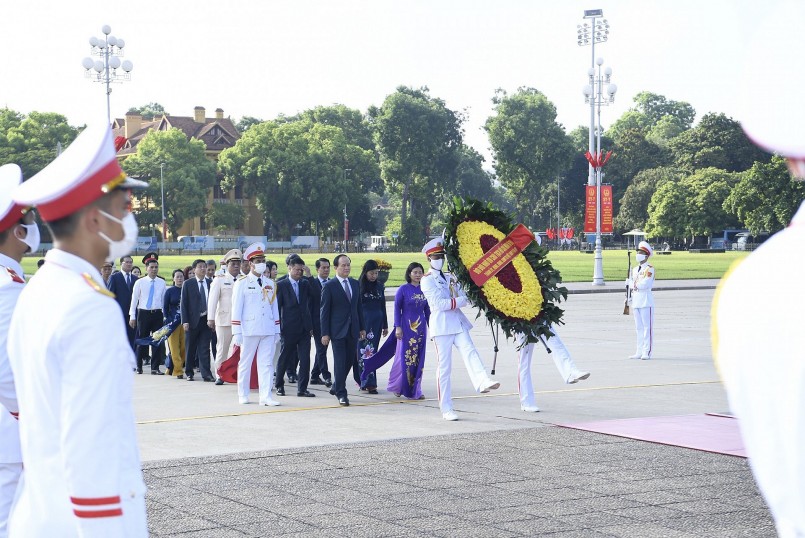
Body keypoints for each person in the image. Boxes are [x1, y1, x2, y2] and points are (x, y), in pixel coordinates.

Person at [7, 122, 148, 536]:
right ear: (93, 219)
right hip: (82, 523)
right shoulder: (89, 307)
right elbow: (94, 447)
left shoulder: (39, 289)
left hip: (44, 512)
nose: (130, 215)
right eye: (123, 206)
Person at [419, 238, 500, 421]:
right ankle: (446, 408)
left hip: (457, 322)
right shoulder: (427, 280)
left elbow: (466, 296)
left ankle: (482, 380)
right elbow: (439, 304)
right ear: (429, 259)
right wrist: (461, 300)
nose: (440, 259)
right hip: (441, 327)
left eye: (442, 256)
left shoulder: (450, 277)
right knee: (445, 369)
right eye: (436, 256)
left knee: (470, 351)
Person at [0, 163, 39, 538]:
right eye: (29, 219)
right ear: (17, 231)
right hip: (9, 437)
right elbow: (6, 371)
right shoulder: (7, 286)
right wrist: (32, 419)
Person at [362, 262, 430, 400]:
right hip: (406, 329)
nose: (417, 275)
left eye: (420, 272)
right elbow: (397, 309)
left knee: (418, 359)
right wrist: (397, 327)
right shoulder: (403, 289)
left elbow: (427, 310)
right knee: (404, 359)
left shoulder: (425, 289)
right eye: (415, 272)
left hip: (421, 330)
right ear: (409, 274)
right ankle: (399, 386)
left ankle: (416, 388)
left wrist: (433, 327)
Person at [231, 243, 280, 406]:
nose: (261, 263)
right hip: (249, 329)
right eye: (258, 260)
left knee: (266, 363)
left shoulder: (271, 283)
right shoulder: (242, 283)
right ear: (250, 263)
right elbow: (236, 308)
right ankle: (243, 393)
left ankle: (265, 396)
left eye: (263, 260)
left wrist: (277, 329)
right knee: (245, 362)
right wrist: (236, 331)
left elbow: (275, 309)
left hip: (267, 328)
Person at [320, 254, 365, 406]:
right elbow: (324, 311)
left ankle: (336, 385)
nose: (346, 268)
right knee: (340, 362)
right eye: (343, 265)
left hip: (353, 330)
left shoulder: (354, 283)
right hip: (337, 331)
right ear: (335, 268)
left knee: (348, 362)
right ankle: (342, 393)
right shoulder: (329, 286)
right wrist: (325, 333)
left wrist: (362, 327)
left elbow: (358, 307)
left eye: (348, 265)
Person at [515, 331, 590, 412]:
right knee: (525, 360)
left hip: (539, 319)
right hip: (521, 324)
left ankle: (571, 372)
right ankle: (527, 402)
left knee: (555, 342)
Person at [275, 255, 315, 397]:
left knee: (305, 359)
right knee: (285, 357)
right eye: (297, 270)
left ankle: (302, 388)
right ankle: (279, 385)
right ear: (290, 268)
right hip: (288, 328)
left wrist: (310, 276)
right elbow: (276, 308)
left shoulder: (305, 283)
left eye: (301, 270)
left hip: (304, 328)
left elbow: (316, 294)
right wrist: (278, 328)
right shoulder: (281, 285)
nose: (299, 272)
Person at [207, 249, 242, 385]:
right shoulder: (219, 280)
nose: (236, 266)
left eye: (238, 263)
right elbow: (212, 300)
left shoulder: (243, 279)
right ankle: (219, 374)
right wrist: (211, 318)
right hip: (224, 319)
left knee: (240, 350)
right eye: (233, 264)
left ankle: (236, 374)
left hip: (240, 321)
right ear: (227, 265)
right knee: (222, 348)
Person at [129, 253, 167, 375]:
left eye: (156, 267)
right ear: (146, 268)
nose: (154, 269)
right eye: (151, 267)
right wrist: (132, 316)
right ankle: (139, 366)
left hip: (157, 314)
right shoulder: (140, 282)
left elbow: (163, 300)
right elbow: (134, 300)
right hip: (143, 314)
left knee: (156, 341)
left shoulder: (161, 282)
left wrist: (164, 316)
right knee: (142, 341)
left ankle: (155, 367)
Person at [357, 259, 388, 394]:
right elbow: (356, 308)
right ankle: (367, 382)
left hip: (376, 323)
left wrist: (385, 325)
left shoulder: (380, 286)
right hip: (364, 323)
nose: (374, 276)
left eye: (376, 273)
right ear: (365, 273)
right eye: (371, 273)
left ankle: (369, 381)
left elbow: (383, 306)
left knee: (372, 352)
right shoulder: (358, 287)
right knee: (363, 352)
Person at [181, 259, 214, 382]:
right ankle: (189, 372)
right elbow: (183, 304)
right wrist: (185, 321)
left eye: (204, 267)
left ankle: (207, 374)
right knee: (190, 348)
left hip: (206, 320)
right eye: (200, 267)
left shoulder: (211, 283)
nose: (203, 269)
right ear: (194, 269)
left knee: (205, 348)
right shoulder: (188, 284)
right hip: (192, 321)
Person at [626, 241, 655, 360]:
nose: (638, 254)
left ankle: (646, 351)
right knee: (638, 328)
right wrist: (628, 298)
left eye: (641, 252)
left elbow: (644, 284)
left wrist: (631, 284)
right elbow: (633, 287)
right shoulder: (634, 269)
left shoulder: (650, 269)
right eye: (638, 252)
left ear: (647, 255)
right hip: (636, 300)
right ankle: (638, 351)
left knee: (647, 327)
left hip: (645, 300)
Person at [308, 258, 333, 387]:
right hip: (317, 323)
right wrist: (310, 325)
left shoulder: (333, 283)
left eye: (328, 267)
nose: (326, 270)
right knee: (321, 349)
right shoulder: (311, 283)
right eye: (323, 268)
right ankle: (326, 375)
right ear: (317, 269)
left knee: (321, 350)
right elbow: (309, 306)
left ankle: (314, 375)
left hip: (331, 322)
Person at [107, 255, 138, 351]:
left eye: (130, 262)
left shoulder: (135, 279)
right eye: (127, 262)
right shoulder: (115, 278)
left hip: (132, 315)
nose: (129, 264)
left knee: (132, 340)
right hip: (120, 315)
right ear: (121, 263)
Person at [163, 269, 186, 379]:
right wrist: (167, 321)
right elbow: (165, 308)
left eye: (181, 276)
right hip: (172, 323)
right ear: (173, 279)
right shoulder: (170, 291)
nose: (180, 279)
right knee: (174, 348)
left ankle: (172, 367)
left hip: (185, 323)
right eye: (177, 277)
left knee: (183, 347)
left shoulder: (187, 290)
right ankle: (178, 370)